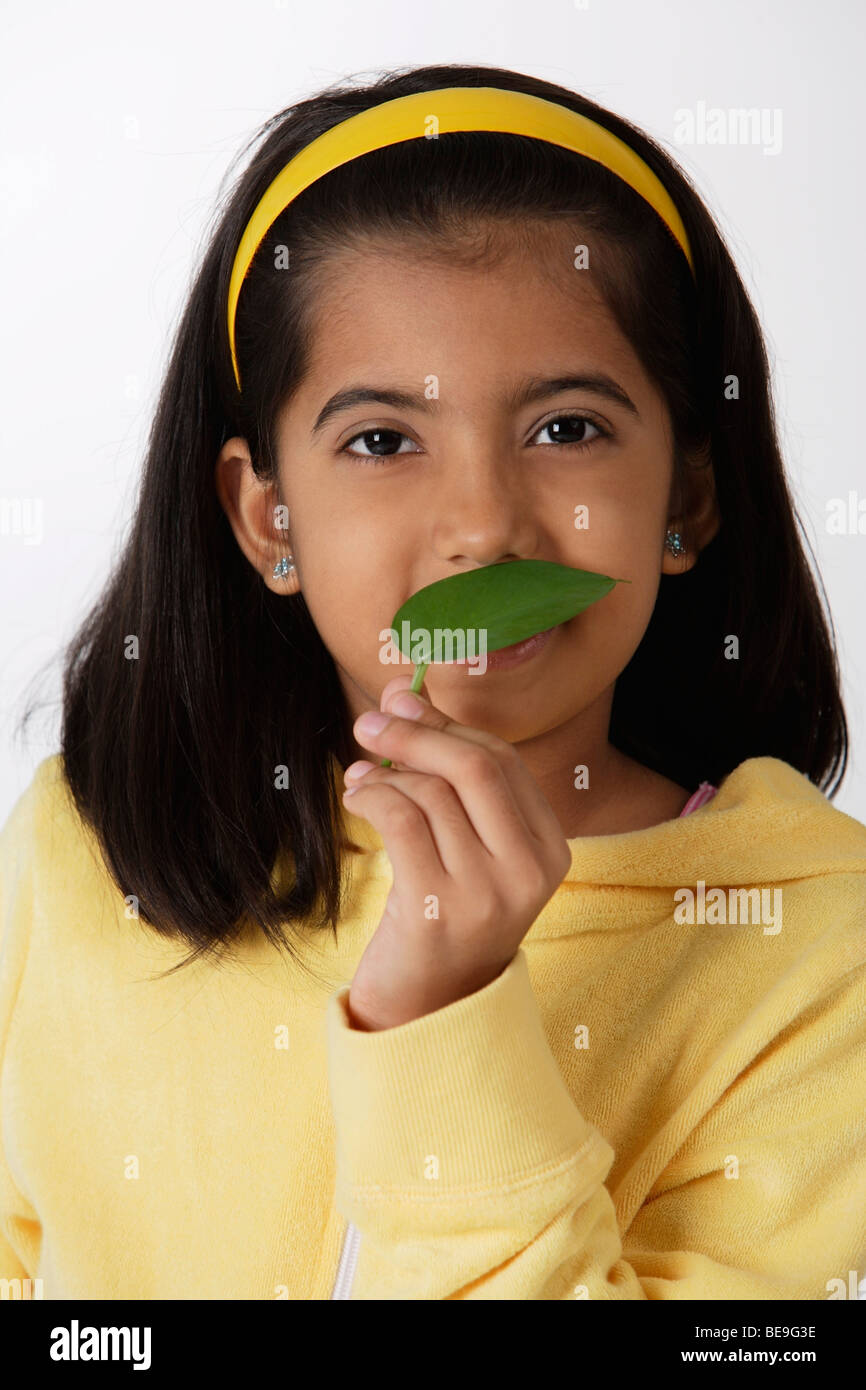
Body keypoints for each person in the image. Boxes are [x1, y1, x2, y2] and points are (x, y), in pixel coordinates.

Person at [1, 63, 863, 1302]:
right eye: (381, 441)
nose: (480, 529)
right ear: (265, 519)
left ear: (682, 496)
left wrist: (444, 1020)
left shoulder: (823, 959)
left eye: (565, 428)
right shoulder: (84, 848)